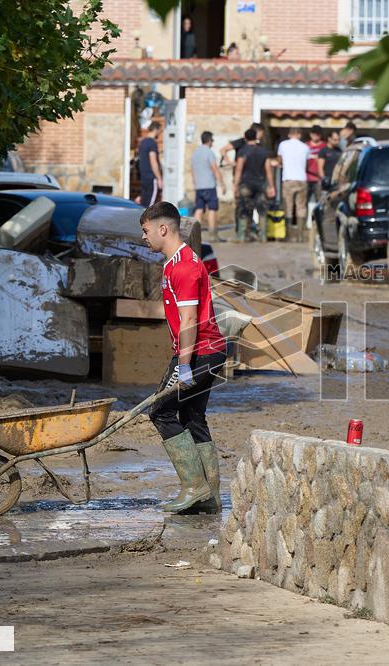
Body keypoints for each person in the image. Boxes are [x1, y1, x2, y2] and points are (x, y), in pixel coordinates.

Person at [139, 202, 227, 514]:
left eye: (146, 231)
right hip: (205, 351)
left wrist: (185, 365)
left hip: (201, 353)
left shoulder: (185, 267)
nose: (144, 237)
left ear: (163, 229)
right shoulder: (174, 263)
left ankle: (194, 486)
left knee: (159, 410)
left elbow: (189, 320)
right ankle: (209, 498)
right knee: (192, 417)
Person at [233, 128, 275, 242]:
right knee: (262, 210)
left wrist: (235, 186)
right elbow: (268, 170)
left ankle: (242, 236)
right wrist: (271, 186)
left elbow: (239, 169)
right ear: (256, 137)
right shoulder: (263, 152)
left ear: (245, 138)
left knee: (244, 209)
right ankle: (263, 236)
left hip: (246, 184)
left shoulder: (242, 151)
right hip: (260, 184)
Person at [276, 127, 310, 243]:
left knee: (288, 207)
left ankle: (289, 235)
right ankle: (300, 235)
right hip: (301, 179)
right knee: (301, 207)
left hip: (288, 179)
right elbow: (307, 163)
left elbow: (279, 161)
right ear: (299, 135)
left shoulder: (283, 145)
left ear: (289, 134)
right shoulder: (305, 147)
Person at [191, 131, 226, 241]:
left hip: (199, 186)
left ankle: (194, 234)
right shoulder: (209, 152)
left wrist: (195, 183)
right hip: (209, 185)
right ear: (210, 140)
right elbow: (214, 168)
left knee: (199, 209)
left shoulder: (195, 152)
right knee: (212, 209)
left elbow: (192, 170)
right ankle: (213, 234)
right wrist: (222, 184)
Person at [137, 122, 163, 206]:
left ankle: (142, 219)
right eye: (160, 131)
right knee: (151, 206)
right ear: (156, 130)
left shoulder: (143, 142)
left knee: (145, 203)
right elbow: (153, 161)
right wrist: (159, 178)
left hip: (144, 177)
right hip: (152, 178)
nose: (160, 133)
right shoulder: (152, 143)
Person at [305, 125, 326, 204]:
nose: (315, 136)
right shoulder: (305, 145)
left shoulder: (324, 146)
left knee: (320, 202)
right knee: (304, 202)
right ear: (310, 134)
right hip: (306, 178)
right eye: (313, 134)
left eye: (318, 134)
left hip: (319, 179)